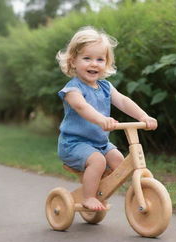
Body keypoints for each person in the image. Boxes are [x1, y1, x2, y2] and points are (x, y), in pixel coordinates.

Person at [56, 26, 157, 211]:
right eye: (87, 58)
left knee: (119, 159)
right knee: (98, 161)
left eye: (100, 59)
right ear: (73, 61)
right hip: (73, 144)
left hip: (100, 143)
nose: (94, 64)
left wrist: (144, 116)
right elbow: (82, 107)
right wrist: (101, 119)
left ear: (106, 63)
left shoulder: (105, 86)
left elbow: (124, 102)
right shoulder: (72, 90)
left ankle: (119, 190)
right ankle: (88, 197)